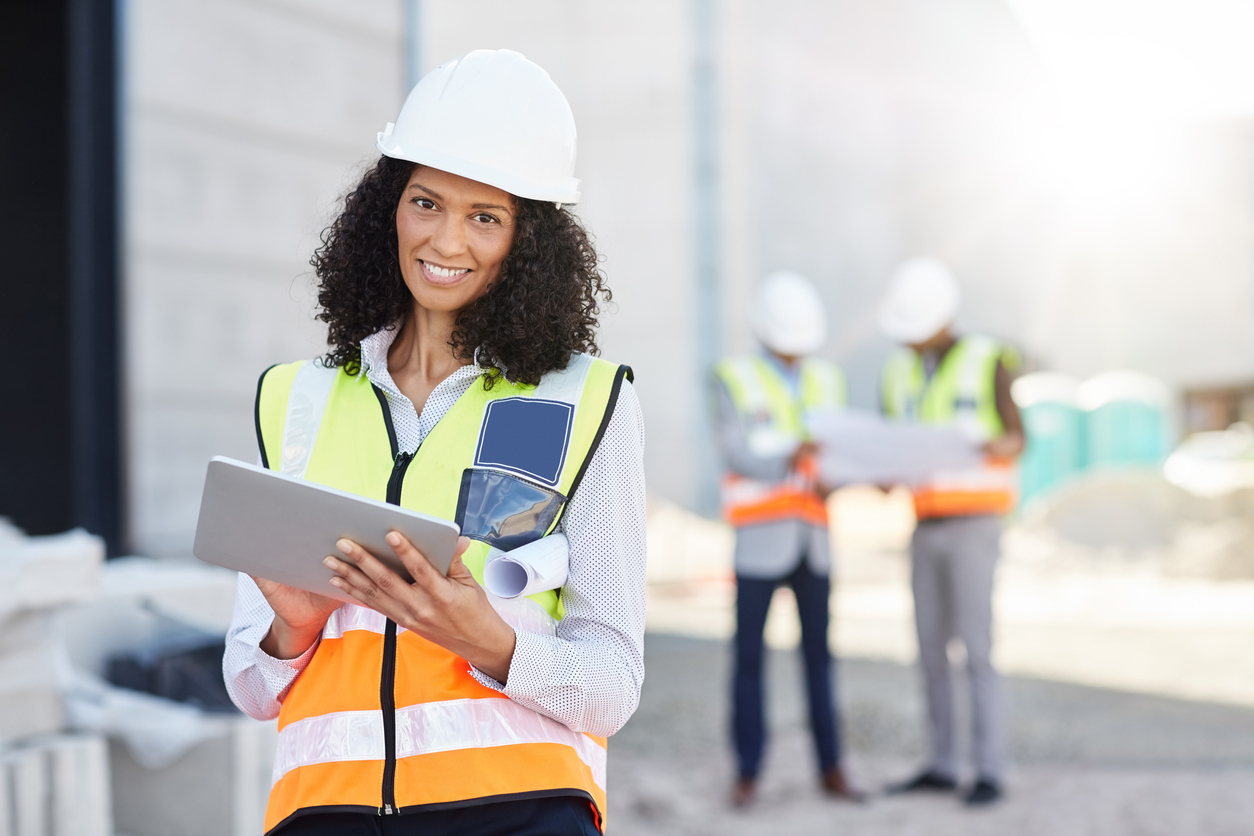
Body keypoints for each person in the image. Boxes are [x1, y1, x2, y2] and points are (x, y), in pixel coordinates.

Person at [222, 50, 646, 836]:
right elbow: (251, 686)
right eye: (426, 202)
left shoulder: (582, 399)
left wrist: (488, 642)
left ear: (528, 240)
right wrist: (295, 630)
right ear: (389, 207)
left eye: (485, 216)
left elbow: (612, 684)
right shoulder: (298, 398)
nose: (446, 240)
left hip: (517, 810)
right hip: (328, 815)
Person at [876, 257, 1024, 806]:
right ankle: (942, 763)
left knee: (977, 650)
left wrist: (989, 444)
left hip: (975, 525)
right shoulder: (898, 372)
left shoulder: (989, 360)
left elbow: (1017, 437)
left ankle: (988, 770)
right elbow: (891, 445)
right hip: (924, 525)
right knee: (930, 650)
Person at [712, 271, 861, 807]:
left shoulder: (828, 379)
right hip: (759, 539)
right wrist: (789, 456)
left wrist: (838, 473)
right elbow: (736, 451)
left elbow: (838, 453)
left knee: (820, 659)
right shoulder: (732, 377)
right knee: (749, 660)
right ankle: (748, 771)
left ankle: (832, 768)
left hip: (814, 539)